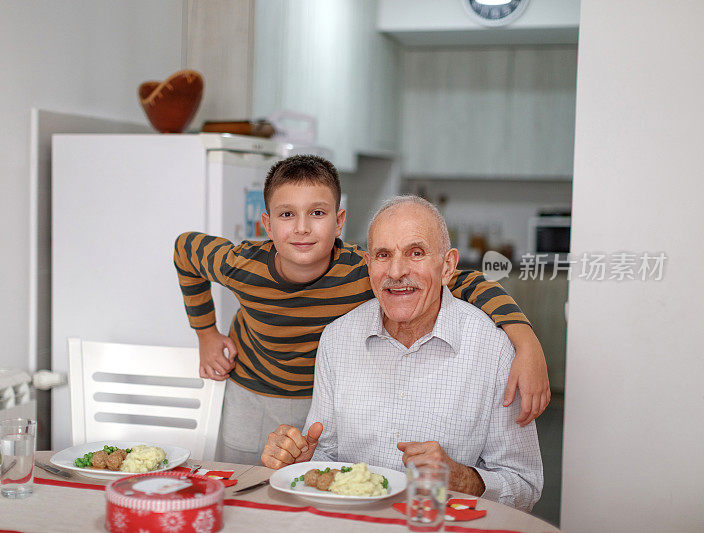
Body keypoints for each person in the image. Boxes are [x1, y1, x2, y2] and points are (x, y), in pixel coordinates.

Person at [173, 155, 549, 465]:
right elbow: (184, 249)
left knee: (306, 480)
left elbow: (460, 281)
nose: (302, 228)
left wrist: (526, 341)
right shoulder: (241, 264)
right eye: (287, 215)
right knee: (249, 488)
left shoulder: (365, 269)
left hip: (318, 399)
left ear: (339, 222)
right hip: (252, 391)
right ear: (267, 225)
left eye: (317, 213)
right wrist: (206, 334)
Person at [260, 195, 543, 511]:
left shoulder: (494, 348)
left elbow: (526, 486)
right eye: (383, 255)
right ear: (369, 266)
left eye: (416, 253)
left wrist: (464, 479)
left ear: (447, 266)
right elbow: (328, 454)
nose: (396, 271)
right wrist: (304, 462)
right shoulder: (337, 339)